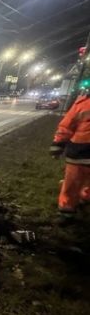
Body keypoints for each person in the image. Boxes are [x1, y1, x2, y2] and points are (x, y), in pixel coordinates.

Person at [49, 88, 90, 221]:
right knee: (73, 183)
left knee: (72, 183)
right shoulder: (82, 103)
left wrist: (57, 145)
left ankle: (70, 208)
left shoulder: (82, 104)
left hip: (78, 153)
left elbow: (67, 126)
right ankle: (72, 207)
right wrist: (58, 144)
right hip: (79, 153)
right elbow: (67, 126)